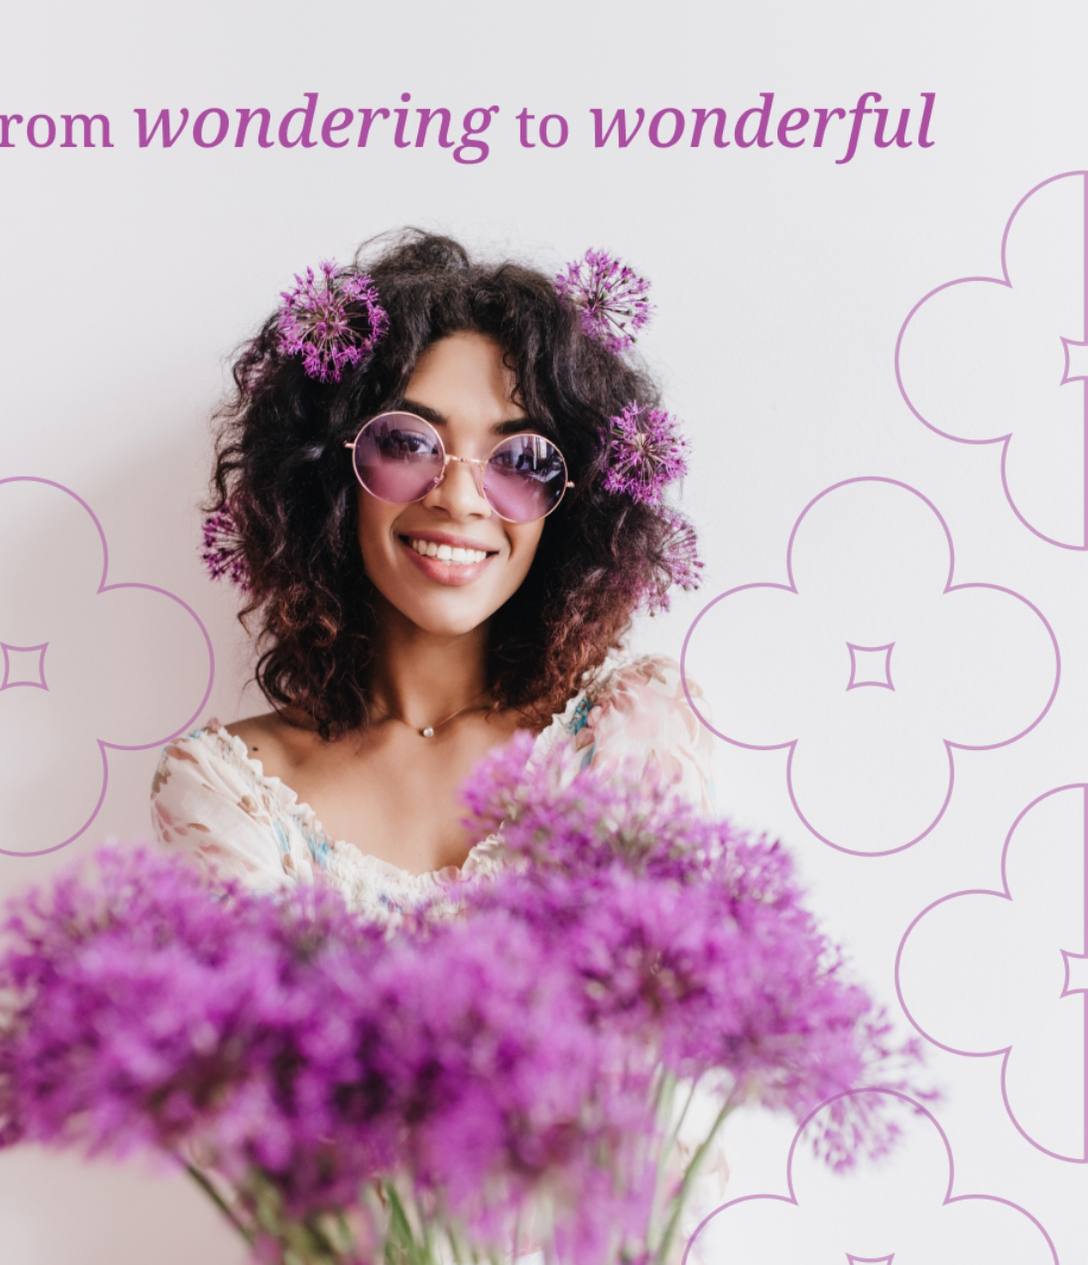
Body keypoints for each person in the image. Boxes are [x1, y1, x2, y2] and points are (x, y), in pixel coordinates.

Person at [148, 228, 727, 1260]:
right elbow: (298, 1153)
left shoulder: (630, 740)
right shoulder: (225, 790)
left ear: (569, 504)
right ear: (327, 470)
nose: (460, 496)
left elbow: (652, 1120)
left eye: (520, 459)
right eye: (407, 440)